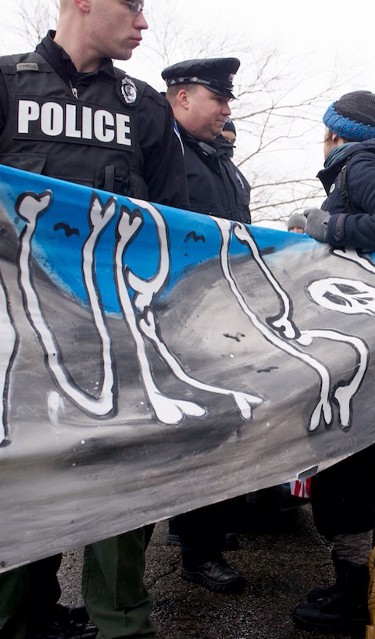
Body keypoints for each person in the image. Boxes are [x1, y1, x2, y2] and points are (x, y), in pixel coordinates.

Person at [0, 1, 189, 637]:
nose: (143, 22)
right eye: (132, 5)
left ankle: (122, 625)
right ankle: (22, 616)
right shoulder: (5, 85)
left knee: (121, 484)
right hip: (15, 346)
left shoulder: (146, 110)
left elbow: (174, 233)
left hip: (116, 341)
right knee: (19, 485)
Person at [291, 90, 375, 634]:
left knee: (342, 469)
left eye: (326, 132)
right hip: (367, 344)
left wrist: (327, 228)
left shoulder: (361, 165)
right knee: (360, 464)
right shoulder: (363, 166)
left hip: (356, 348)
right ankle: (372, 581)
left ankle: (353, 598)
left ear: (338, 133)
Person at [162, 58, 251, 594]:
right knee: (189, 432)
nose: (225, 109)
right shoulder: (166, 153)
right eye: (216, 99)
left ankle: (204, 539)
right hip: (177, 313)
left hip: (222, 313)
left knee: (219, 427)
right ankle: (196, 548)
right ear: (181, 97)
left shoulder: (221, 163)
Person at [163, 57, 250, 224]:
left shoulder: (227, 166)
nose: (227, 111)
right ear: (184, 99)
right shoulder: (155, 149)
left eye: (228, 102)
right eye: (218, 99)